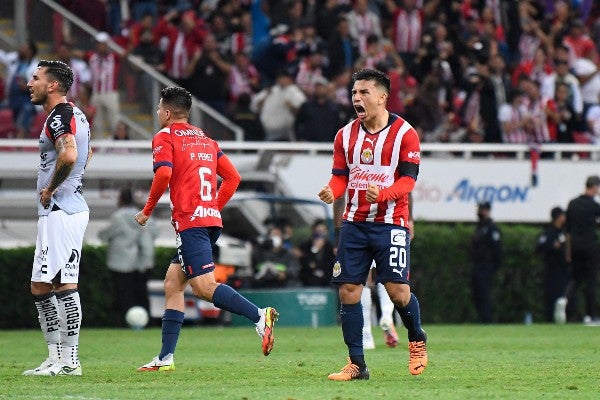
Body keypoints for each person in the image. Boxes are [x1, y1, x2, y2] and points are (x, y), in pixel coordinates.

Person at [134, 86, 278, 372]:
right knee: (173, 285)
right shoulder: (206, 140)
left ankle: (259, 315)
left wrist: (147, 209)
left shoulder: (165, 136)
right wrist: (212, 206)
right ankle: (165, 359)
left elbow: (163, 173)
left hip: (191, 222)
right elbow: (233, 178)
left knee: (202, 288)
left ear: (165, 111)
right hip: (208, 220)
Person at [318, 69, 427, 380]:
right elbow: (341, 176)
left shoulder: (406, 134)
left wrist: (384, 195)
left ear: (382, 97)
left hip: (391, 223)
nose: (356, 97)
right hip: (353, 222)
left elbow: (408, 180)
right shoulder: (344, 135)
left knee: (397, 292)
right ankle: (357, 364)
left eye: (364, 92)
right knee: (349, 290)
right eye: (354, 92)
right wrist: (332, 190)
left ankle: (417, 338)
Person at [23, 60, 92, 376]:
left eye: (36, 78)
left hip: (61, 212)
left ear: (52, 85)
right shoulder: (76, 114)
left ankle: (68, 360)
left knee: (57, 283)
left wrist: (51, 188)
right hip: (64, 210)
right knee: (49, 284)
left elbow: (70, 154)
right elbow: (86, 154)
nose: (30, 83)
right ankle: (58, 358)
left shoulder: (59, 117)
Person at [98, 188, 158, 324]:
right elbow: (155, 232)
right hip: (143, 261)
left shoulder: (118, 217)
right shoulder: (145, 215)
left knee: (123, 295)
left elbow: (105, 235)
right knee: (142, 294)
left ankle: (125, 321)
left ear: (121, 199)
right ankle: (145, 321)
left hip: (121, 262)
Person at [565, 175, 600, 323]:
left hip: (576, 248)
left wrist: (568, 252)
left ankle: (564, 300)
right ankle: (589, 315)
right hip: (590, 247)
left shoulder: (572, 204)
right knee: (590, 282)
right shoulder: (594, 206)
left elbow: (568, 231)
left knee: (576, 279)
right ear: (594, 187)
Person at [470, 201, 503, 324]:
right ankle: (482, 319)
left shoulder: (492, 228)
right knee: (477, 294)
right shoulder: (479, 227)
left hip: (487, 267)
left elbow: (498, 250)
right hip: (478, 266)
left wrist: (494, 268)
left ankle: (487, 320)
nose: (479, 212)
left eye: (482, 210)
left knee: (485, 295)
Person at [536, 207, 570, 323]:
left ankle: (565, 320)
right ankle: (550, 320)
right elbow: (539, 249)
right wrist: (552, 247)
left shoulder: (565, 232)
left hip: (564, 269)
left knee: (564, 297)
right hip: (551, 270)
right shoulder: (549, 232)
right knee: (551, 296)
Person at [298, 219, 336, 287]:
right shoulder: (305, 246)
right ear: (313, 231)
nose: (321, 234)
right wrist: (314, 250)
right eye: (318, 231)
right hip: (308, 281)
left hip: (326, 281)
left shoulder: (330, 248)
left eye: (323, 231)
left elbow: (331, 267)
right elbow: (305, 264)